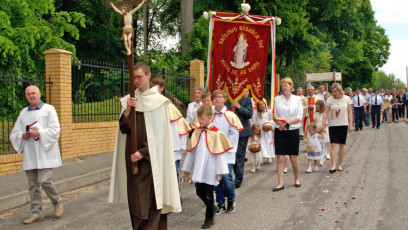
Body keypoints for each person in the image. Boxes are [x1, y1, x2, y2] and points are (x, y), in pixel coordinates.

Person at [109, 62, 181, 229]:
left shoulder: (160, 102)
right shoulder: (129, 100)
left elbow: (161, 137)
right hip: (132, 160)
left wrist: (143, 152)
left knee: (151, 202)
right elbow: (124, 129)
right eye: (133, 77)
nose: (136, 81)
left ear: (148, 76)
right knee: (135, 202)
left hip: (151, 161)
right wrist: (127, 110)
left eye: (139, 77)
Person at [10, 85, 63, 224]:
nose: (31, 96)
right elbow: (14, 133)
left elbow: (55, 129)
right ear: (26, 96)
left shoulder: (49, 109)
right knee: (32, 184)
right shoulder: (24, 113)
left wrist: (38, 132)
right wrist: (22, 135)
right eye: (28, 94)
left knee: (44, 180)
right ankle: (37, 212)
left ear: (39, 94)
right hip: (30, 153)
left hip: (45, 152)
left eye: (33, 93)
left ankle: (57, 201)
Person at [182, 104, 231, 229]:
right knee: (199, 191)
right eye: (198, 118)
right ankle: (212, 207)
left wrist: (220, 171)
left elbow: (219, 155)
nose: (199, 121)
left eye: (202, 118)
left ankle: (209, 218)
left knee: (209, 194)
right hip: (199, 167)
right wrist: (187, 169)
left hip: (211, 168)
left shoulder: (216, 133)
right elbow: (191, 152)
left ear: (210, 117)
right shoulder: (197, 132)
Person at [149, 76, 191, 185]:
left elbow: (180, 129)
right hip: (157, 148)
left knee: (173, 174)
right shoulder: (148, 105)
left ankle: (176, 197)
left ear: (162, 88)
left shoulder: (169, 106)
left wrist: (180, 148)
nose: (152, 89)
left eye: (155, 87)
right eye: (151, 86)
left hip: (173, 148)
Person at [211, 90, 243, 215]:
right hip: (213, 151)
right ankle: (220, 201)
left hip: (226, 152)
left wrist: (226, 148)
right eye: (215, 97)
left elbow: (234, 135)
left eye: (220, 97)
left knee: (226, 176)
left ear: (225, 99)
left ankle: (231, 198)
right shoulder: (210, 115)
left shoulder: (230, 115)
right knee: (215, 178)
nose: (217, 99)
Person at [272, 77, 303, 191]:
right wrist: (280, 124)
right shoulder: (277, 99)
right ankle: (280, 183)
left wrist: (287, 123)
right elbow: (274, 115)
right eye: (282, 86)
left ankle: (296, 179)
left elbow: (299, 116)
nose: (284, 87)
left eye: (286, 85)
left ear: (291, 86)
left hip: (293, 129)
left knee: (293, 157)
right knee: (280, 157)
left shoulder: (297, 99)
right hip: (280, 130)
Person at [321, 83, 353, 173]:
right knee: (333, 144)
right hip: (333, 124)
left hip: (343, 124)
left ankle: (340, 164)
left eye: (335, 91)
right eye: (333, 92)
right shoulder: (329, 100)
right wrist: (323, 122)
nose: (334, 93)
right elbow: (326, 112)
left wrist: (351, 124)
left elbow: (350, 112)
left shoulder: (347, 99)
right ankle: (333, 165)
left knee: (342, 145)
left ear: (340, 91)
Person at [226, 93, 253, 189]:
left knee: (239, 155)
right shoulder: (228, 100)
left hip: (242, 132)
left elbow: (249, 114)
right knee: (232, 154)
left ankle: (238, 179)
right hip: (230, 133)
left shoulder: (247, 100)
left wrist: (238, 106)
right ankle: (235, 174)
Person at [314, 100, 330, 165]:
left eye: (318, 105)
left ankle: (323, 156)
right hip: (318, 127)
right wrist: (316, 128)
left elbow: (328, 121)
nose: (317, 106)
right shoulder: (315, 113)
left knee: (323, 142)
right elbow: (315, 122)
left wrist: (325, 124)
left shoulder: (325, 113)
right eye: (316, 105)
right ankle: (320, 156)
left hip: (324, 128)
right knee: (319, 143)